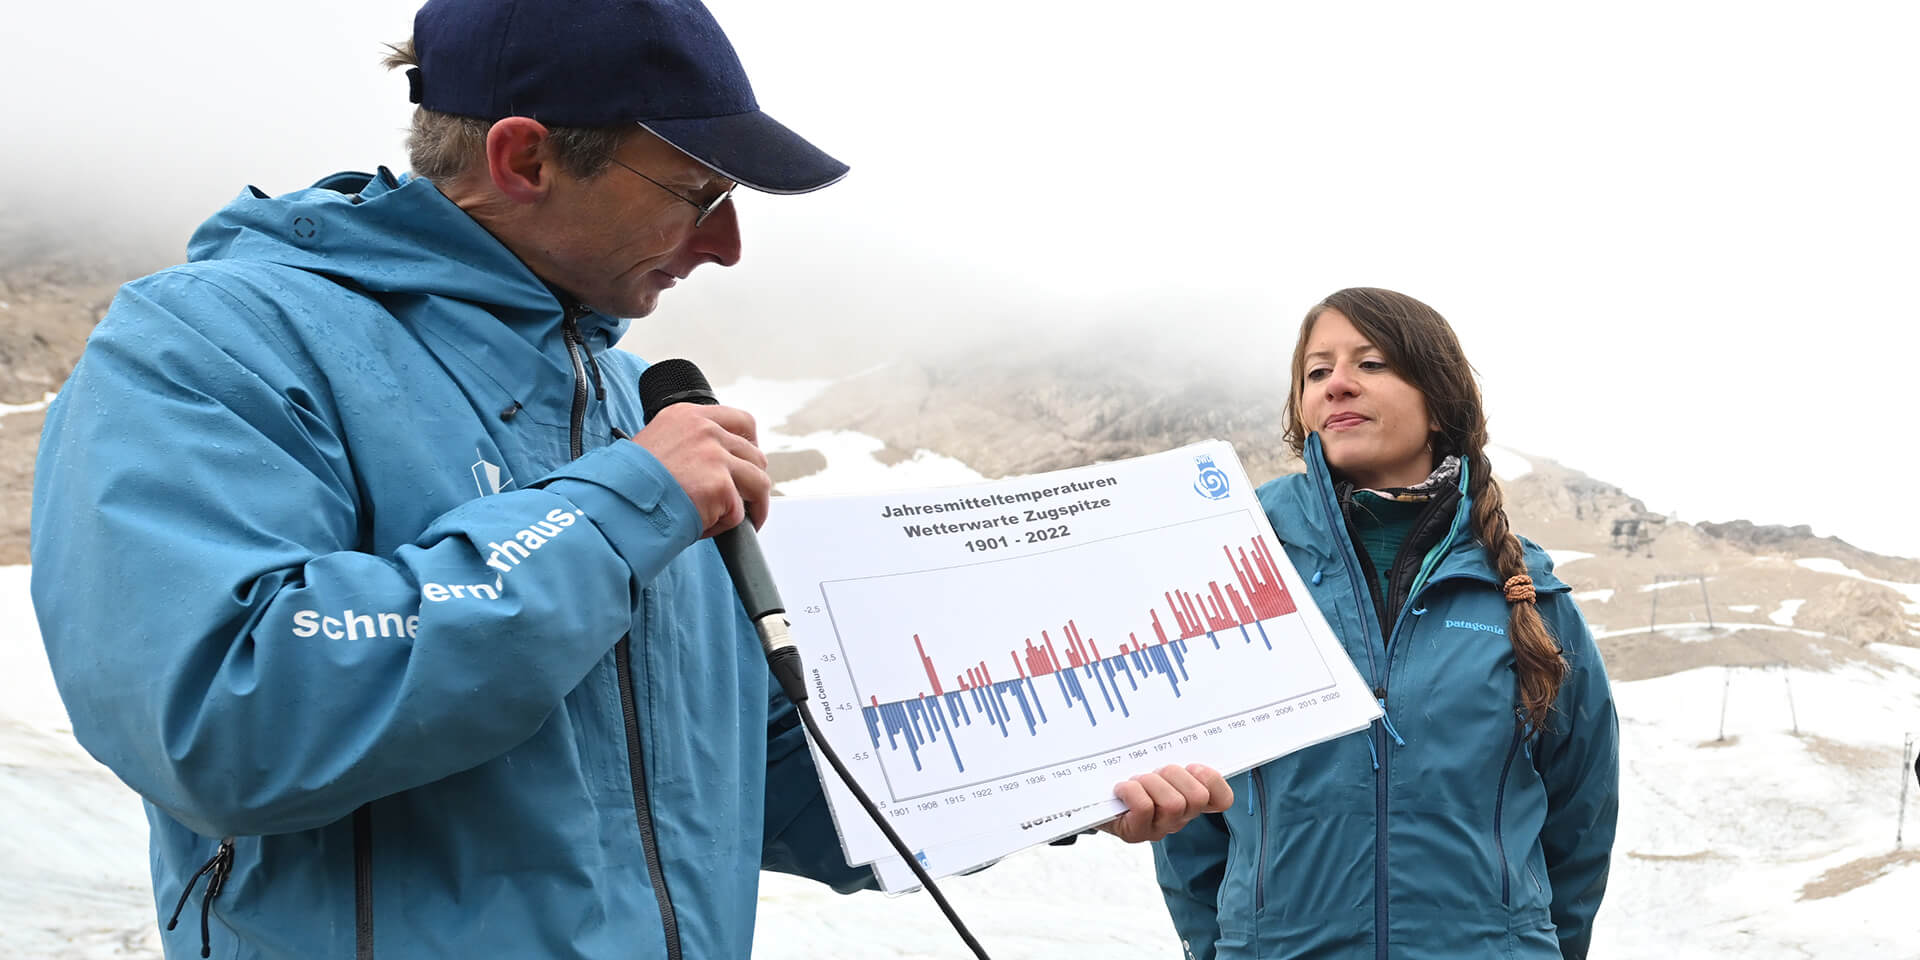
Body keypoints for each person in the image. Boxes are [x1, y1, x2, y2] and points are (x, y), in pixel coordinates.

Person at [29, 1, 1228, 957]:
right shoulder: (214, 342)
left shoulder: (628, 404)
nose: (726, 243)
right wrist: (614, 511)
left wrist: (1048, 787)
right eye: (696, 191)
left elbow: (764, 778)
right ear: (524, 156)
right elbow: (223, 711)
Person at [1153, 288, 1619, 959]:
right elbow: (1189, 823)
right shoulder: (1237, 572)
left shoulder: (1528, 592)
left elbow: (1580, 817)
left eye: (1370, 364)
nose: (1337, 384)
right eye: (1317, 373)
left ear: (1439, 399)